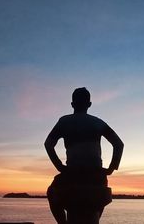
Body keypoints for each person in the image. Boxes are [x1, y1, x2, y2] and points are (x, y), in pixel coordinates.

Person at [45, 87, 124, 224]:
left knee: (51, 192)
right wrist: (111, 168)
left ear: (72, 104)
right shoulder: (98, 122)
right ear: (89, 104)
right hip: (96, 176)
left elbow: (48, 144)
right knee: (100, 194)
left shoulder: (64, 121)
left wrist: (60, 166)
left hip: (72, 175)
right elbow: (119, 144)